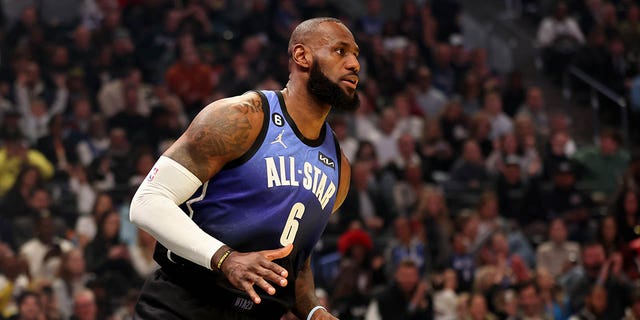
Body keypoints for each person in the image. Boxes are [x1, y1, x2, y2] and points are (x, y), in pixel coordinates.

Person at [129, 17, 359, 320]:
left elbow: (295, 262)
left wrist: (314, 311)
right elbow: (147, 202)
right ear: (302, 56)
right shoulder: (243, 117)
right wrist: (226, 259)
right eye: (340, 51)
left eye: (356, 54)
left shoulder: (339, 169)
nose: (354, 63)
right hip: (184, 304)